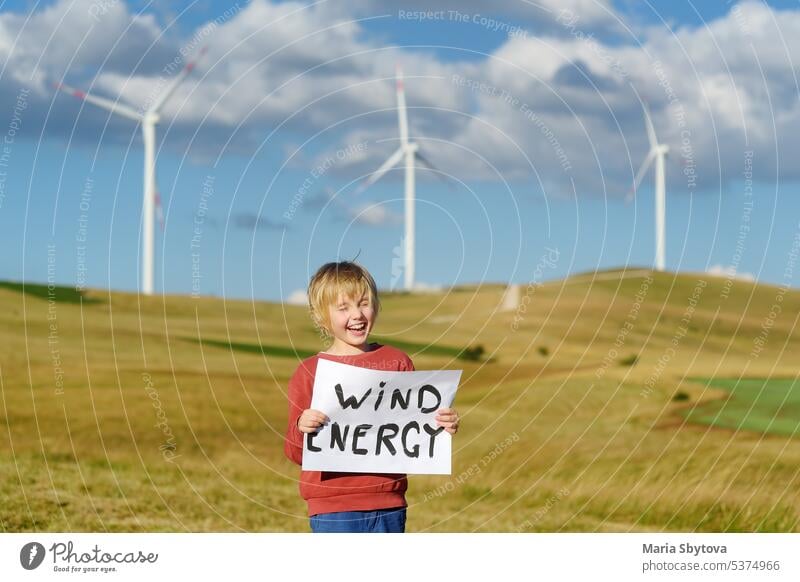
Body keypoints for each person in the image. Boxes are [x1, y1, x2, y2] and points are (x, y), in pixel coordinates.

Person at [284, 260, 460, 533]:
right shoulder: (310, 372)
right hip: (333, 508)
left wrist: (441, 425)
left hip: (389, 503)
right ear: (321, 316)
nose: (357, 315)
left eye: (364, 303)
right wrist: (302, 428)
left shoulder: (398, 362)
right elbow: (294, 452)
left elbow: (412, 432)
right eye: (343, 308)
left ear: (376, 305)